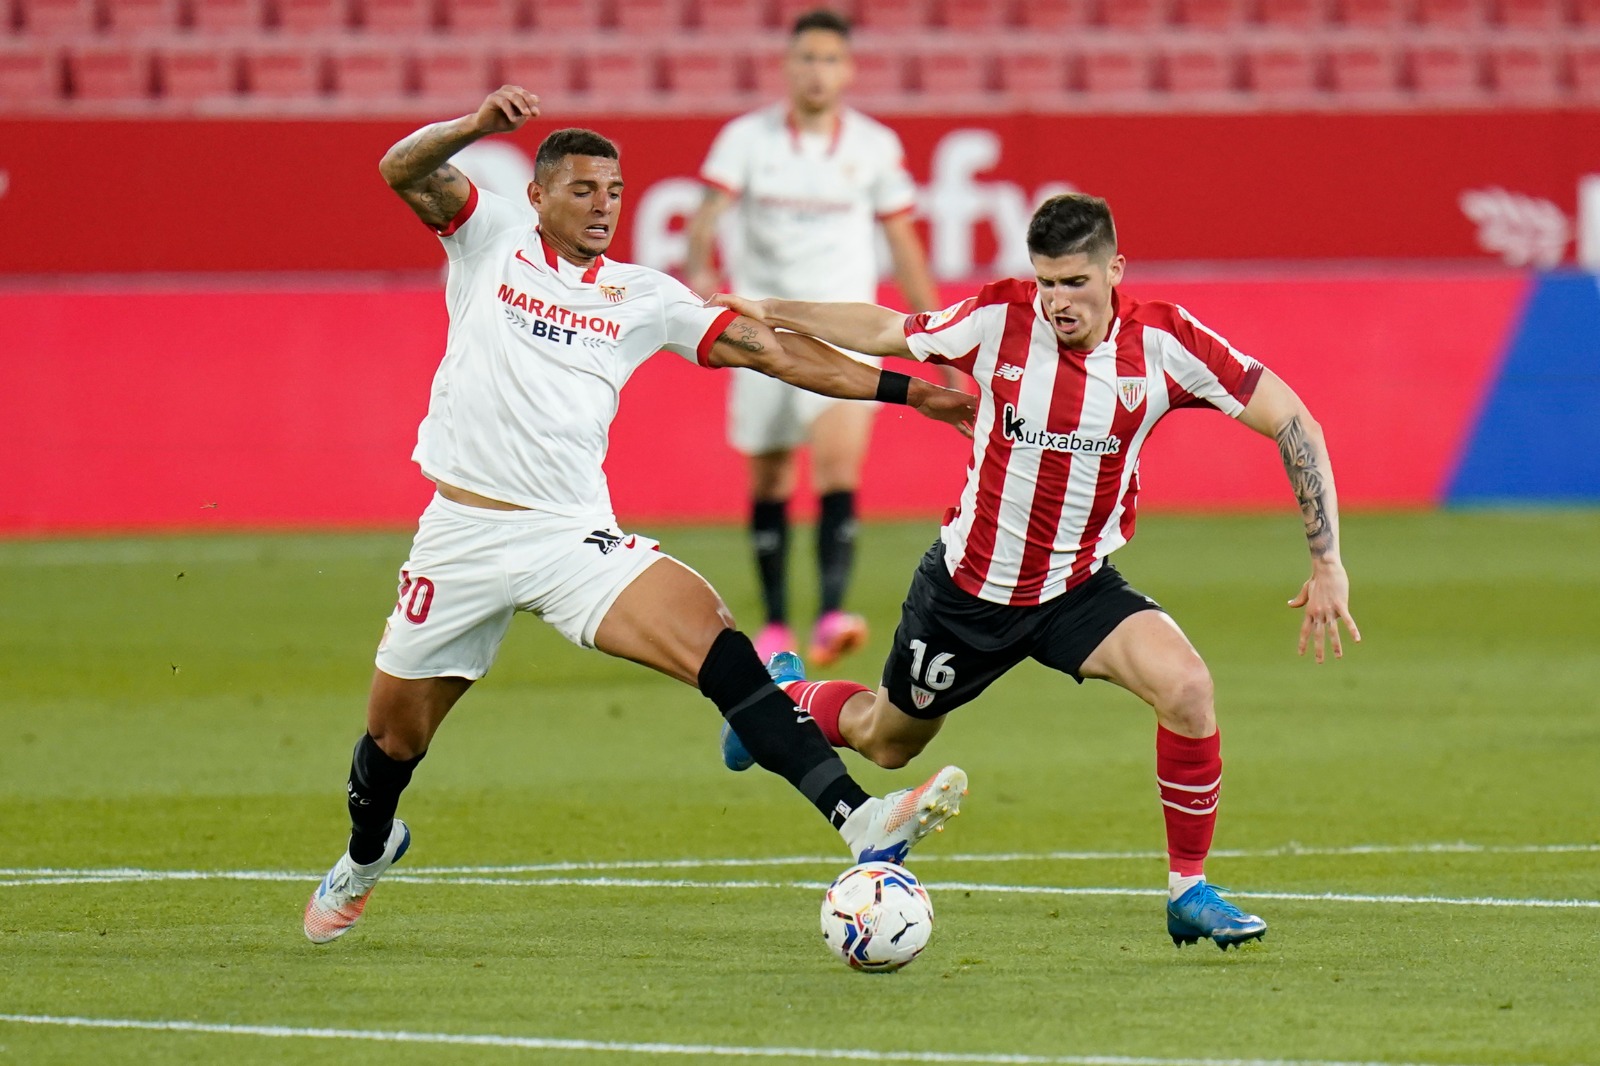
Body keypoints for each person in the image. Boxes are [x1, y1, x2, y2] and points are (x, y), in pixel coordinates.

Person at [303, 86, 978, 945]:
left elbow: (768, 349)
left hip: (570, 536)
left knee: (717, 642)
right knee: (394, 741)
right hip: (463, 532)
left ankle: (861, 821)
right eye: (582, 190)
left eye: (615, 193)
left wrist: (913, 391)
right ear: (538, 194)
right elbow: (401, 168)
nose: (602, 208)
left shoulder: (641, 295)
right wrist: (476, 126)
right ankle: (367, 855)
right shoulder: (489, 237)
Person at [714, 193, 1362, 951]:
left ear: (1115, 270)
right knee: (887, 742)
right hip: (966, 596)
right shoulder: (997, 318)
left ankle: (1188, 889)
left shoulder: (1165, 343)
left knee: (1187, 687)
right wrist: (769, 307)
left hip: (1076, 589)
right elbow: (886, 329)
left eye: (1075, 283)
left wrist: (1327, 562)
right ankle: (780, 698)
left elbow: (1291, 419)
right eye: (1047, 282)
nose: (1058, 302)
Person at [684, 8, 940, 669]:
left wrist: (934, 329)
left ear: (848, 70)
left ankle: (829, 613)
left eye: (830, 59)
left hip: (842, 330)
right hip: (759, 332)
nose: (817, 71)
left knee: (836, 466)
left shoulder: (874, 146)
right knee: (770, 476)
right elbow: (706, 216)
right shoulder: (746, 139)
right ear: (787, 66)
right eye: (807, 58)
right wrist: (701, 267)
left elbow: (904, 242)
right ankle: (774, 625)